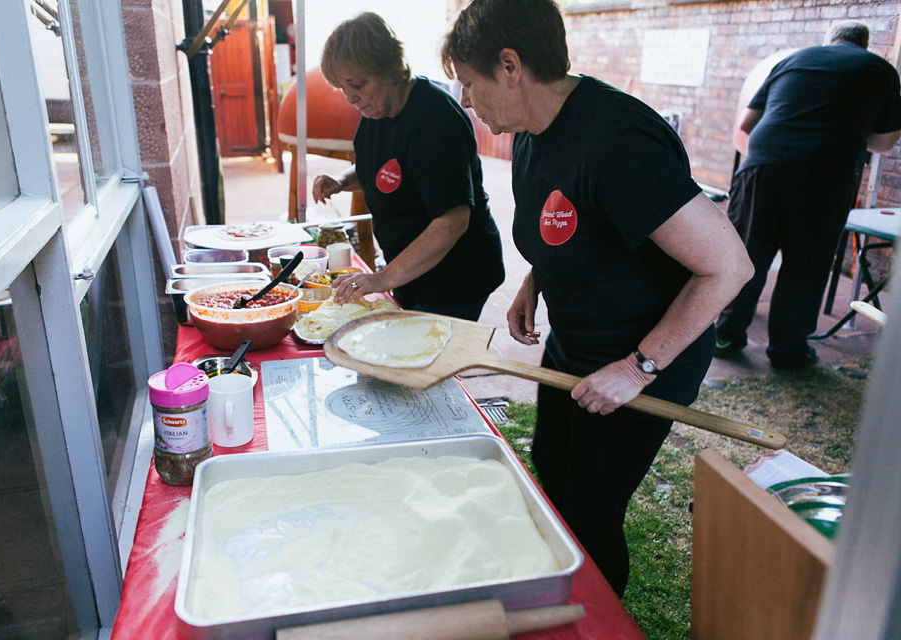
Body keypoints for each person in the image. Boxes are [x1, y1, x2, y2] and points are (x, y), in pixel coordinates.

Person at [441, 0, 753, 597]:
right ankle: (563, 601)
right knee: (554, 484)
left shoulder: (619, 141)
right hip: (577, 344)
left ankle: (598, 620)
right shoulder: (533, 132)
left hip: (643, 357)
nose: (466, 102)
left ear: (510, 66)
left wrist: (638, 368)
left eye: (469, 84)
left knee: (589, 512)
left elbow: (729, 267)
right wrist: (537, 280)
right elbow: (572, 222)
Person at [714, 20, 901, 370]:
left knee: (746, 256)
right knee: (805, 266)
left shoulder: (792, 60)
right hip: (825, 178)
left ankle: (724, 335)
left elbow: (745, 127)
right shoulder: (880, 69)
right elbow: (884, 142)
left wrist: (757, 165)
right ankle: (787, 352)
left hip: (762, 169)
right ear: (863, 44)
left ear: (829, 41)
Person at [312, 12, 505, 321]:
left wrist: (383, 278)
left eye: (357, 85)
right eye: (342, 88)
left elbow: (452, 220)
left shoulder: (434, 119)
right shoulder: (377, 110)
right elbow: (387, 171)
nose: (350, 97)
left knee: (425, 360)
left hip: (455, 277)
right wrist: (341, 180)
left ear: (390, 68)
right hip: (409, 272)